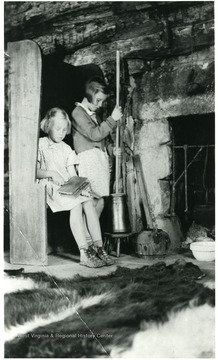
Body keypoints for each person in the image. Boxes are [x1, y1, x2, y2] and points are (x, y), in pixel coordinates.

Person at [37, 107, 114, 267]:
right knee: (77, 205)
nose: (61, 133)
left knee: (88, 201)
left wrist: (82, 186)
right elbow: (34, 171)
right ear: (48, 126)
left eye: (64, 130)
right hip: (50, 186)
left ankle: (98, 247)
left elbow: (72, 175)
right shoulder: (41, 144)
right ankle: (84, 252)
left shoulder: (66, 148)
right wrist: (51, 173)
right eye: (57, 129)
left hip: (67, 187)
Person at [71, 77, 122, 220]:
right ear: (89, 95)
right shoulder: (77, 113)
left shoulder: (96, 116)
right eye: (98, 100)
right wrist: (112, 119)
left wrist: (112, 150)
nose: (100, 104)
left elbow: (103, 141)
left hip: (99, 162)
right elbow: (94, 135)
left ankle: (93, 237)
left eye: (102, 101)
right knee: (90, 202)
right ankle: (86, 239)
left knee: (99, 202)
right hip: (89, 163)